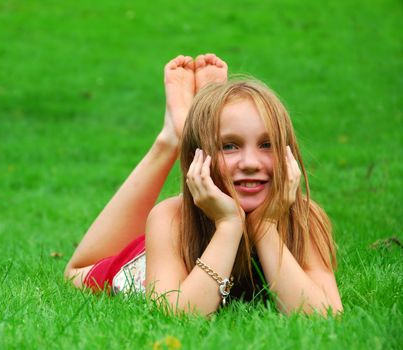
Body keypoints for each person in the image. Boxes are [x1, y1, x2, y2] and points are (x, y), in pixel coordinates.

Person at [64, 54, 343, 316]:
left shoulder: (305, 217)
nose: (250, 162)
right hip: (151, 260)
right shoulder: (171, 220)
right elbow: (179, 315)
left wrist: (266, 225)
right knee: (75, 272)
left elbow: (324, 315)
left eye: (266, 145)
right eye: (229, 146)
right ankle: (175, 136)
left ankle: (201, 120)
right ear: (199, 159)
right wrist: (229, 224)